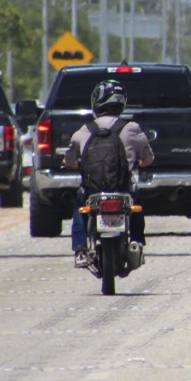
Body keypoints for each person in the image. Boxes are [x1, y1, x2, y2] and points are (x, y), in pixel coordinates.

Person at [64, 80, 154, 269]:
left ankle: (80, 250)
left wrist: (70, 164)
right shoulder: (132, 128)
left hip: (93, 190)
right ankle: (136, 242)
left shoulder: (84, 129)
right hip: (123, 188)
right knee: (136, 204)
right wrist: (143, 162)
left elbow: (69, 158)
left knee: (80, 206)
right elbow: (148, 157)